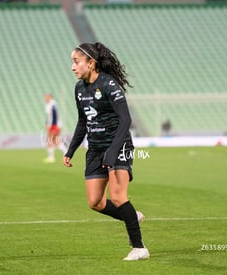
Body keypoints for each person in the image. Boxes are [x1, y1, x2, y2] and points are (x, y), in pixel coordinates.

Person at [63, 42, 150, 261]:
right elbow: (83, 122)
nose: (73, 67)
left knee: (118, 196)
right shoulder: (79, 89)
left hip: (118, 145)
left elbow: (126, 120)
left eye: (76, 62)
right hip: (95, 148)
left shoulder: (109, 85)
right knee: (95, 202)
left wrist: (113, 150)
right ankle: (132, 216)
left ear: (91, 63)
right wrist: (70, 150)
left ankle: (139, 248)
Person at [43, 93, 67, 163]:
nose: (45, 99)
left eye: (46, 97)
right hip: (55, 125)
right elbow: (49, 116)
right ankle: (66, 152)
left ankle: (51, 157)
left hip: (54, 125)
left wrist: (51, 126)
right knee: (55, 141)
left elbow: (54, 116)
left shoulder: (52, 104)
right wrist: (46, 123)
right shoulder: (50, 105)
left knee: (50, 140)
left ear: (50, 97)